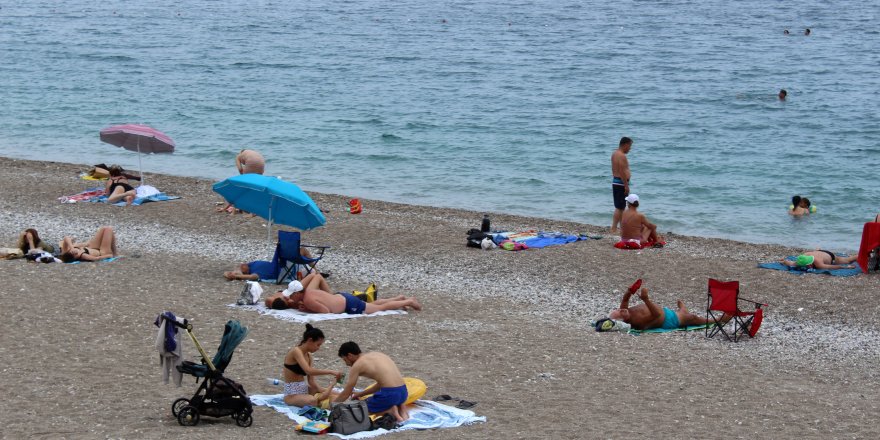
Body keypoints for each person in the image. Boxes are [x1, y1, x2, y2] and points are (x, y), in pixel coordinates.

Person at [266, 273, 421, 314]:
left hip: (348, 304)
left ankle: (408, 301)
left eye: (292, 295)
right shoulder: (310, 291)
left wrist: (307, 309)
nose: (291, 297)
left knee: (379, 308)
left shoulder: (308, 300)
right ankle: (399, 299)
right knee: (371, 305)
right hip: (344, 298)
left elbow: (325, 312)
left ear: (298, 293)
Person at [335, 342, 410, 422]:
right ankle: (401, 408)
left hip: (389, 395)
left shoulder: (357, 365)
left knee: (359, 410)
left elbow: (347, 391)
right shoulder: (377, 354)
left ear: (350, 355)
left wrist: (334, 405)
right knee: (387, 398)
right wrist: (361, 394)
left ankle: (391, 410)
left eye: (345, 360)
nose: (346, 364)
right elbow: (381, 384)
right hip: (403, 393)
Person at [608, 282, 720, 331]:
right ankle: (717, 320)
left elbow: (625, 299)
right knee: (693, 318)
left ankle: (683, 309)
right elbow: (656, 315)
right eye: (620, 312)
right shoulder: (638, 322)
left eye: (619, 309)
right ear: (624, 321)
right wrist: (646, 300)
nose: (622, 309)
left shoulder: (626, 312)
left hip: (665, 312)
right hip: (668, 320)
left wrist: (630, 291)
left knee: (683, 313)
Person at [281, 324, 343, 408]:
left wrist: (325, 390)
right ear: (310, 340)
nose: (318, 348)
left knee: (337, 395)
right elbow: (308, 371)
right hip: (291, 394)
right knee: (312, 400)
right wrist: (330, 371)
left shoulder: (309, 356)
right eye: (318, 345)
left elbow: (311, 382)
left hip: (304, 389)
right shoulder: (296, 351)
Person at [223, 248, 314, 281]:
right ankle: (316, 272)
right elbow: (252, 277)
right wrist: (238, 276)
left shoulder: (250, 265)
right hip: (285, 269)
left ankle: (316, 271)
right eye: (242, 268)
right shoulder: (256, 273)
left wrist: (232, 273)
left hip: (283, 264)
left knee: (302, 250)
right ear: (244, 273)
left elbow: (228, 272)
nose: (243, 264)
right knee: (303, 250)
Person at [610, 137, 633, 234]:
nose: (630, 149)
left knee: (620, 207)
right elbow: (622, 171)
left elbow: (614, 169)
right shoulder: (621, 155)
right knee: (620, 207)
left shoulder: (615, 153)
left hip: (616, 181)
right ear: (625, 144)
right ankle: (615, 228)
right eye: (630, 146)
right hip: (620, 182)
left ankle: (618, 228)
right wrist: (626, 186)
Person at [780, 250, 857, 270]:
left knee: (848, 260)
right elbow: (789, 262)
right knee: (817, 252)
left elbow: (833, 267)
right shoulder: (800, 259)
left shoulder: (818, 263)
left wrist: (847, 267)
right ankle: (818, 249)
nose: (810, 266)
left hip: (830, 256)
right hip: (818, 252)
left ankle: (862, 255)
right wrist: (783, 261)